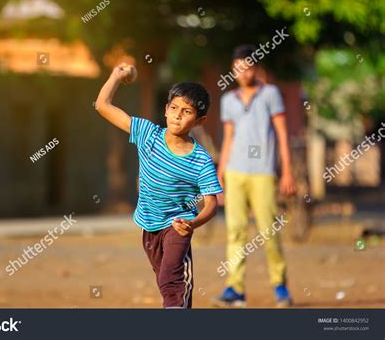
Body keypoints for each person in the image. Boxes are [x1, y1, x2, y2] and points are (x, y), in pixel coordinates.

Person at [95, 63, 222, 308]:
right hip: (149, 224)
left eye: (186, 111)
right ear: (165, 110)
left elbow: (212, 204)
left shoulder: (201, 159)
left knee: (171, 279)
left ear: (200, 120)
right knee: (166, 281)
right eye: (174, 108)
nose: (177, 115)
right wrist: (116, 76)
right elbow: (102, 106)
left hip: (178, 225)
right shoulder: (147, 134)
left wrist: (192, 223)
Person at [214, 45, 296, 307]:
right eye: (238, 67)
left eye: (248, 66)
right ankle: (235, 289)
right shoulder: (228, 100)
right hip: (235, 172)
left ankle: (280, 286)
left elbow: (282, 133)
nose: (244, 72)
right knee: (235, 231)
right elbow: (228, 138)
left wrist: (287, 172)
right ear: (233, 70)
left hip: (263, 172)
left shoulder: (270, 94)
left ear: (256, 68)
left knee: (268, 231)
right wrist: (220, 174)